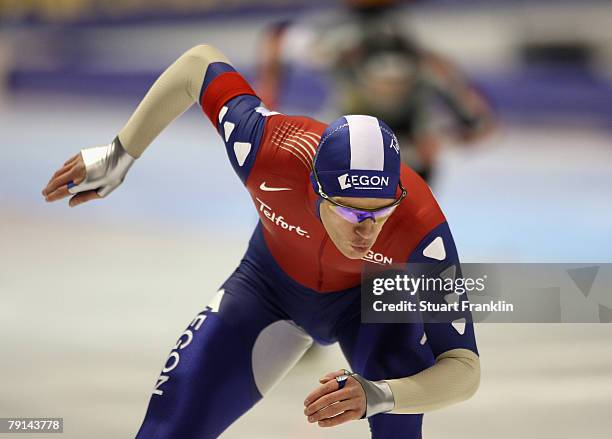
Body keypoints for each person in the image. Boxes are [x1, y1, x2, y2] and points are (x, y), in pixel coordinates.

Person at [41, 44, 480, 439]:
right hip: (268, 291)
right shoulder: (269, 151)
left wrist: (381, 394)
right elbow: (197, 64)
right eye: (348, 211)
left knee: (397, 421)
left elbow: (464, 368)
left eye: (379, 212)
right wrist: (121, 152)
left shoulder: (421, 230)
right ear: (314, 189)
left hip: (374, 307)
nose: (365, 228)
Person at [257, 0, 495, 182]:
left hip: (400, 150)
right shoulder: (342, 41)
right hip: (356, 145)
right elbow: (279, 39)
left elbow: (480, 124)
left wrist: (443, 138)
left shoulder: (410, 51)